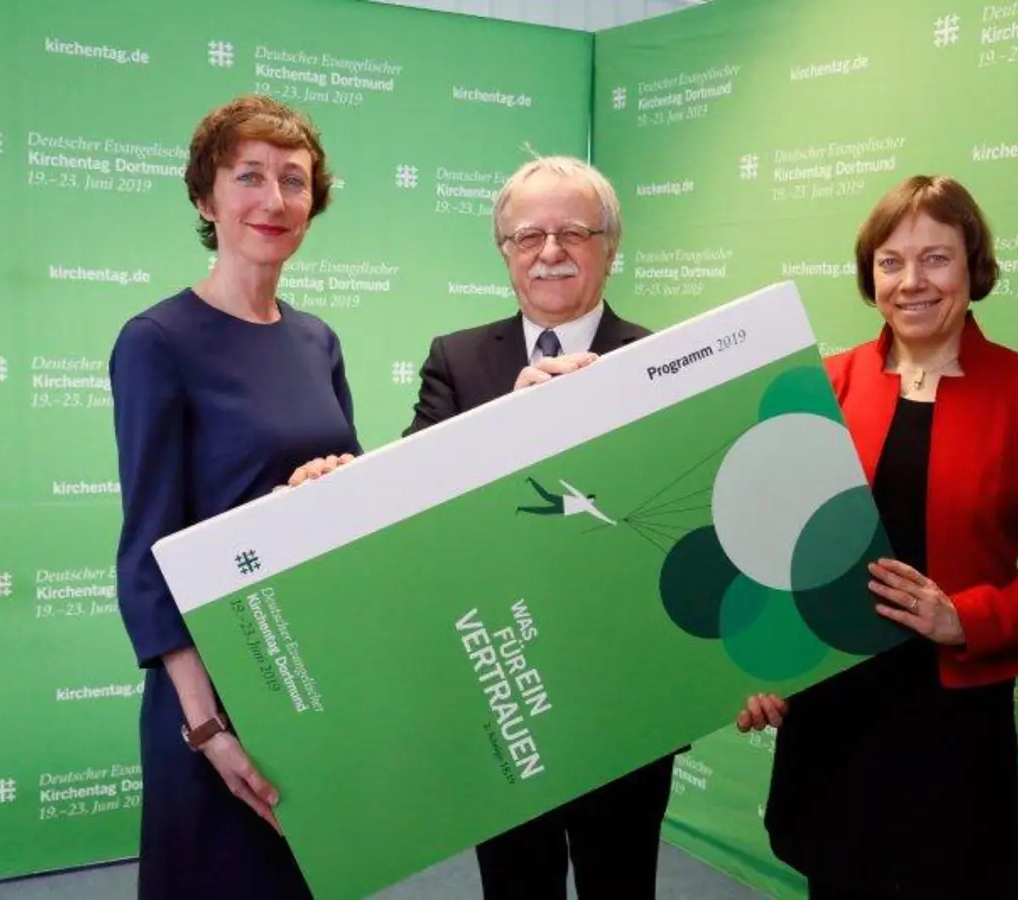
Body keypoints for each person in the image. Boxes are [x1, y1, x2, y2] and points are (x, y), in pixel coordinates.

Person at [736, 174, 1018, 899]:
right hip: (832, 703)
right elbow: (769, 546)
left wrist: (967, 616)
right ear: (869, 274)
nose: (912, 281)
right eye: (891, 261)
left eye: (936, 258)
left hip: (950, 713)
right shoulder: (824, 384)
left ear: (974, 269)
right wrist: (759, 663)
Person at [403, 155, 677, 898]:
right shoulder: (457, 361)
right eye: (527, 236)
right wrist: (506, 428)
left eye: (572, 232)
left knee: (622, 884)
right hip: (502, 693)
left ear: (610, 246)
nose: (549, 251)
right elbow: (414, 509)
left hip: (626, 701)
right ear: (504, 251)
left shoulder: (664, 362)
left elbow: (677, 523)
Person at [108, 95, 359, 900]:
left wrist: (332, 489)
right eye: (249, 177)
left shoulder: (317, 339)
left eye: (294, 180)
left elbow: (346, 501)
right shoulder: (157, 342)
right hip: (211, 691)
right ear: (205, 198)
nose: (275, 200)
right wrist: (208, 730)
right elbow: (149, 550)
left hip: (307, 672)